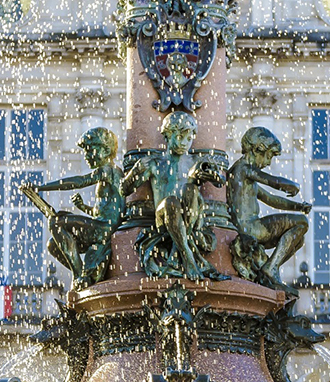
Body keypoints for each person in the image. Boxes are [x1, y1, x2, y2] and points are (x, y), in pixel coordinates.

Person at [123, 112, 220, 281]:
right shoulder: (155, 163)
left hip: (192, 217)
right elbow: (124, 189)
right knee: (171, 202)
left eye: (189, 138)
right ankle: (187, 256)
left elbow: (221, 182)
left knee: (190, 189)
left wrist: (210, 174)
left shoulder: (197, 161)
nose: (184, 143)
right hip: (163, 218)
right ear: (167, 135)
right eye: (180, 136)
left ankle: (179, 250)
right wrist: (135, 171)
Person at [23, 129, 123, 287]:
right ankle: (83, 272)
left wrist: (41, 188)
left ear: (106, 150)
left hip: (104, 230)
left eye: (90, 150)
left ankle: (79, 276)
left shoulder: (107, 170)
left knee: (56, 222)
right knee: (53, 245)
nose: (86, 156)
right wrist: (84, 207)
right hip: (102, 227)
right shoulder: (109, 174)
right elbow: (105, 212)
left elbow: (78, 181)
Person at [226, 126, 311, 287]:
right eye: (269, 156)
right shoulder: (243, 169)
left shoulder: (244, 175)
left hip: (249, 229)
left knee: (298, 239)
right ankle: (271, 268)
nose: (268, 162)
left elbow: (272, 200)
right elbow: (273, 182)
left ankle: (271, 267)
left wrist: (298, 206)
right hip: (250, 228)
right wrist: (291, 185)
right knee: (302, 223)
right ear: (258, 149)